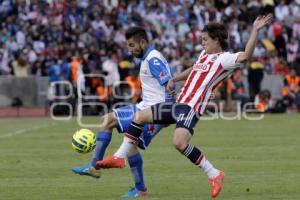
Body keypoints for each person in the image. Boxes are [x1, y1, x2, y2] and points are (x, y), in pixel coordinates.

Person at [96, 15, 273, 198]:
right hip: (178, 104)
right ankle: (118, 157)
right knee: (139, 117)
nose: (202, 43)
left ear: (216, 40)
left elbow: (245, 56)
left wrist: (255, 31)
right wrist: (175, 78)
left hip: (191, 107)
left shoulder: (224, 59)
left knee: (179, 143)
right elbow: (194, 69)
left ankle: (214, 173)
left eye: (205, 39)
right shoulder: (205, 55)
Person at [72, 27, 174, 198]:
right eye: (128, 46)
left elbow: (169, 85)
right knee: (110, 123)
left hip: (156, 111)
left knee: (123, 135)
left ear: (143, 42)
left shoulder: (153, 58)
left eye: (132, 45)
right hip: (145, 107)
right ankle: (99, 169)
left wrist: (167, 114)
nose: (130, 49)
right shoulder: (147, 58)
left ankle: (102, 171)